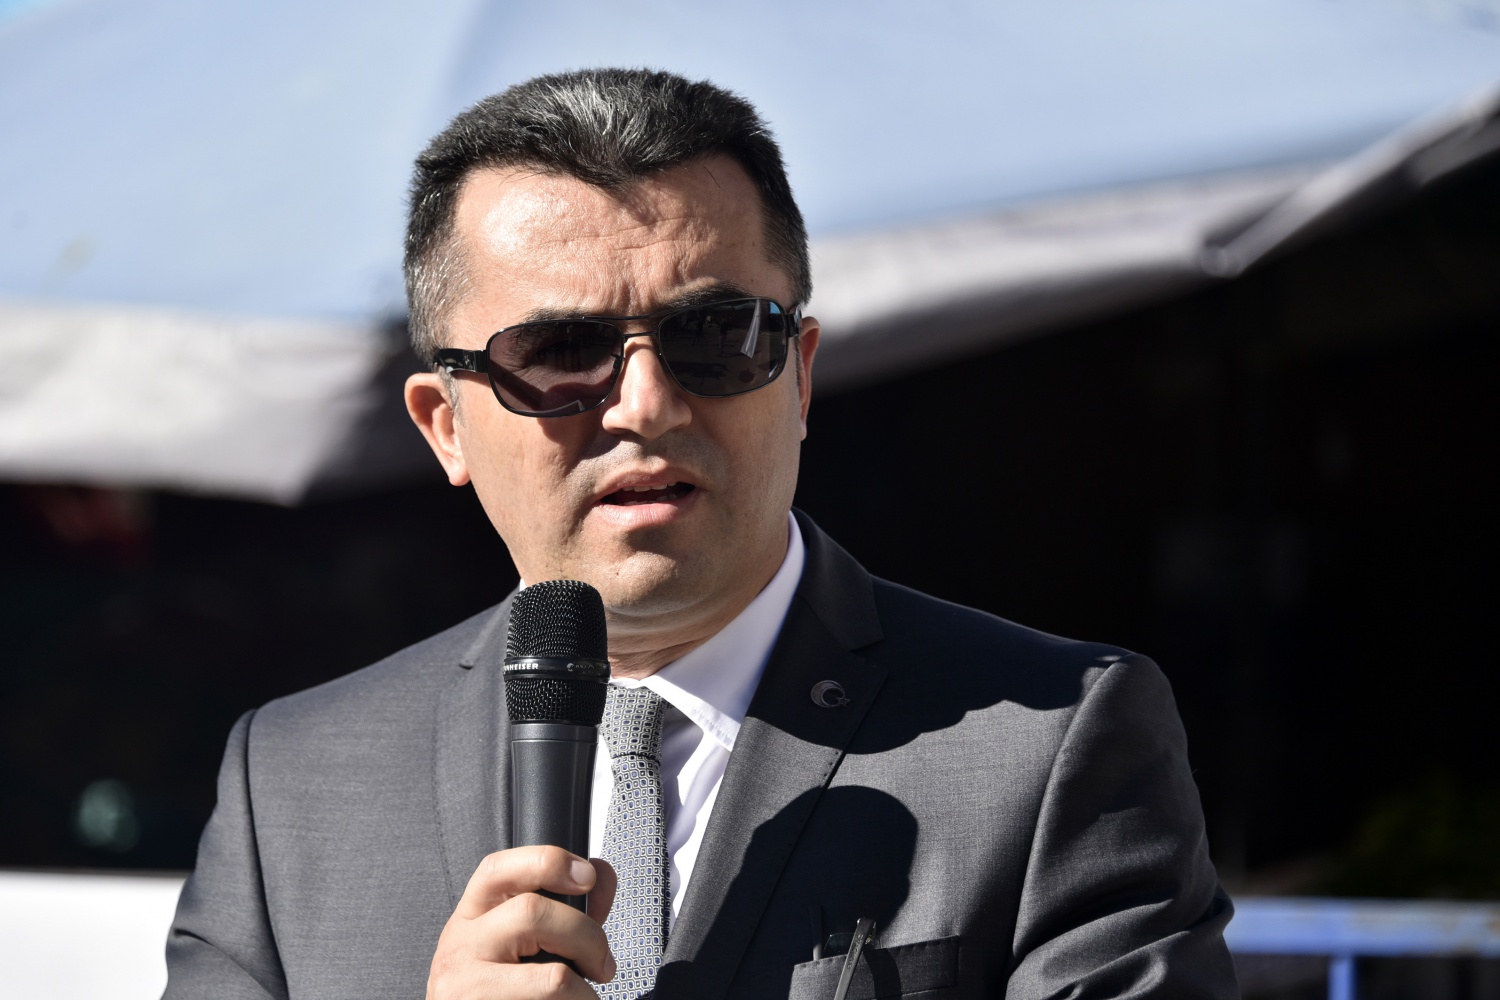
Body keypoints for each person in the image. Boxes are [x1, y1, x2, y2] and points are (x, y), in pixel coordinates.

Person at [164, 69, 1237, 1000]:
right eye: (560, 352)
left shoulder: (1048, 742)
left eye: (714, 336)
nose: (645, 404)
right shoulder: (295, 784)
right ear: (445, 425)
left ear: (799, 376)